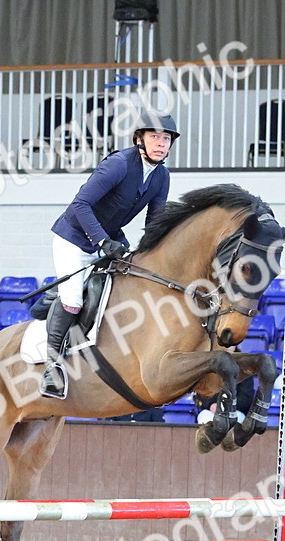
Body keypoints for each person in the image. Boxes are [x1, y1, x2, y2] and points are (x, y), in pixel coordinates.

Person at [41, 110, 179, 398]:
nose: (161, 143)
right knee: (73, 301)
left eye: (166, 139)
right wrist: (102, 241)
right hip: (75, 240)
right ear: (139, 139)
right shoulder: (118, 164)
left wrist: (156, 255)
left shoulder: (161, 176)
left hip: (111, 240)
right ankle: (52, 368)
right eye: (154, 137)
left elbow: (155, 222)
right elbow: (81, 205)